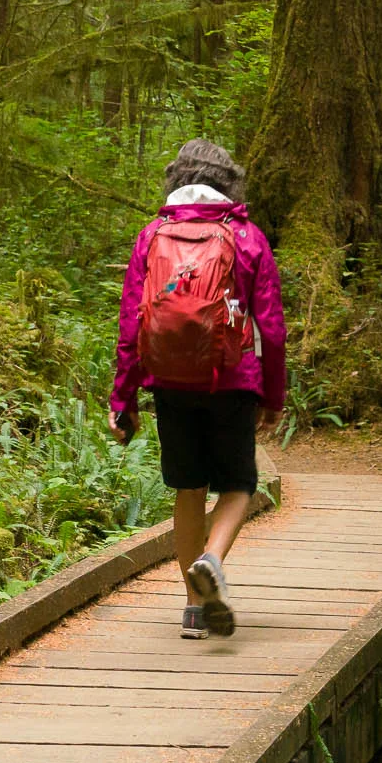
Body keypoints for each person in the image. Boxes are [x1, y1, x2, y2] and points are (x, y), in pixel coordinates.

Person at [110, 139, 287, 638]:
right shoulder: (247, 237)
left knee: (188, 488)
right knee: (239, 485)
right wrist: (273, 396)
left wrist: (124, 398)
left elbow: (131, 324)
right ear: (229, 183)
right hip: (232, 380)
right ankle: (211, 558)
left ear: (176, 181)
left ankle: (193, 609)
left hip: (169, 381)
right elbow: (272, 328)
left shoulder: (152, 236)